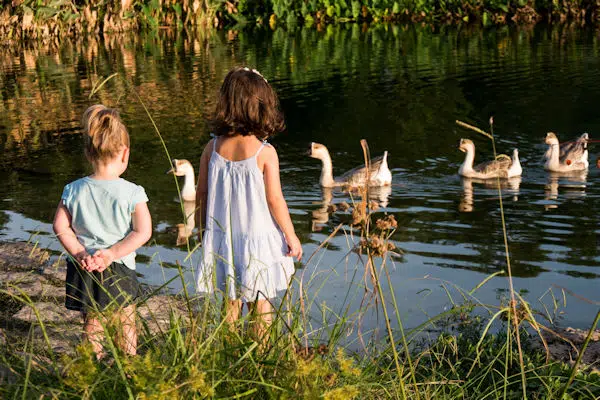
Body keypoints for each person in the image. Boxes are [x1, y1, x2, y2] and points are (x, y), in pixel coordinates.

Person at [195, 67, 302, 343]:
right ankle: (261, 357)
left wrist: (201, 230)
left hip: (223, 239)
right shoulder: (265, 153)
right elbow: (275, 199)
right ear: (261, 106)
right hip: (256, 241)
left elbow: (202, 194)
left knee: (230, 304)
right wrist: (291, 235)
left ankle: (227, 355)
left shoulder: (212, 148)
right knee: (261, 304)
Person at [52, 104, 152, 358]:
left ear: (88, 153)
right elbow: (143, 232)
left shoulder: (73, 189)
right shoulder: (132, 192)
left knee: (92, 323)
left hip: (84, 266)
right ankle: (129, 369)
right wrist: (110, 254)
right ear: (125, 153)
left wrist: (81, 253)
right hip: (117, 266)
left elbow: (60, 226)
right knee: (126, 322)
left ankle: (91, 371)